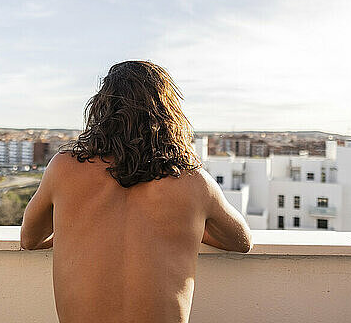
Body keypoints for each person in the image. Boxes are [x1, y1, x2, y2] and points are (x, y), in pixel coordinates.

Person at [21, 60, 253, 323]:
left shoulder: (64, 168)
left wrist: (71, 233)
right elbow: (241, 241)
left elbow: (30, 239)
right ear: (167, 114)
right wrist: (184, 231)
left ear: (102, 108)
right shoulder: (193, 180)